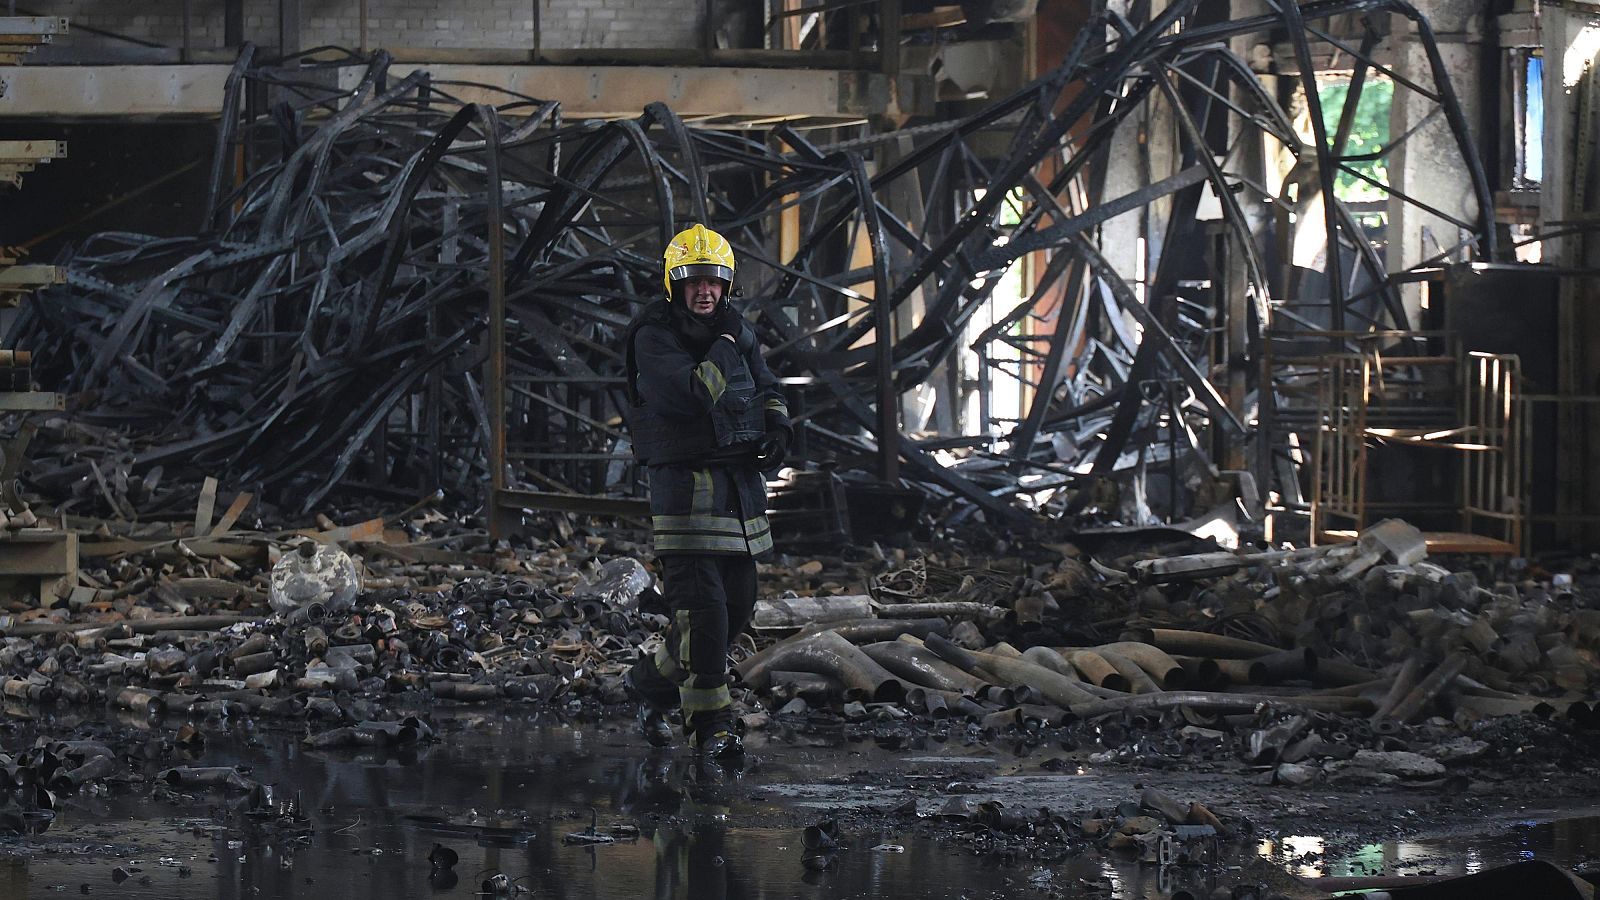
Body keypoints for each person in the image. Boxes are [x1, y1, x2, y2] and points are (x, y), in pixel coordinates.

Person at [621, 223, 791, 760]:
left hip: (739, 497)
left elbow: (766, 386)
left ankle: (648, 685)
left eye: (714, 282)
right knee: (705, 618)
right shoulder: (654, 337)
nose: (705, 292)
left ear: (727, 285)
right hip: (687, 497)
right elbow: (697, 393)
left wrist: (778, 426)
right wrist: (727, 344)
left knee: (736, 610)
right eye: (694, 281)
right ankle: (711, 729)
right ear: (675, 285)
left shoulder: (735, 331)